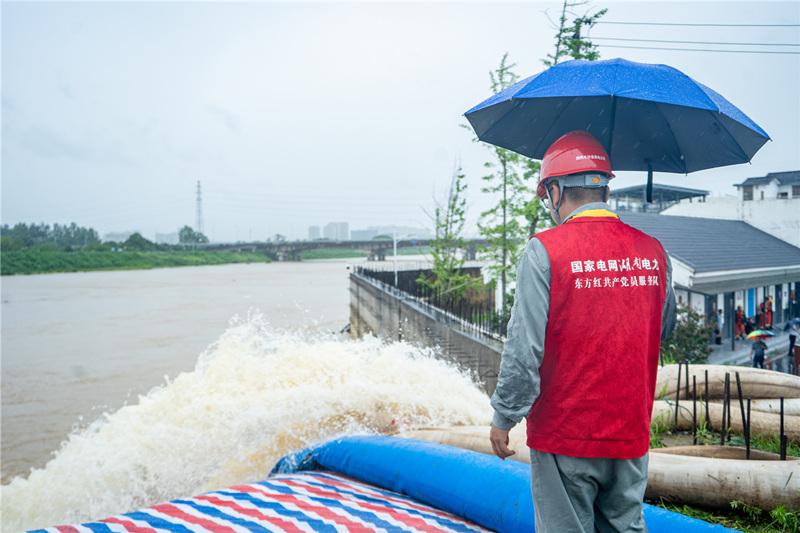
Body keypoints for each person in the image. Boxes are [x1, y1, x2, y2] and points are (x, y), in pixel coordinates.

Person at [488, 130, 676, 533]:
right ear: (603, 188)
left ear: (556, 190)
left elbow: (524, 349)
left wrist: (505, 415)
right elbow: (662, 329)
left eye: (547, 196)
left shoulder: (545, 250)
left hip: (565, 436)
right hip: (629, 430)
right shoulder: (654, 251)